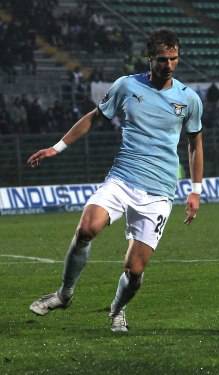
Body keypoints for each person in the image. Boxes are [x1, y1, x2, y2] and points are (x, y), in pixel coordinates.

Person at [26, 29, 204, 332]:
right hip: (122, 178)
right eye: (163, 59)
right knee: (86, 228)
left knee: (134, 270)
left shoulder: (189, 99)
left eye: (174, 59)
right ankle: (63, 294)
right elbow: (94, 117)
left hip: (159, 191)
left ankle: (117, 310)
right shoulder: (126, 86)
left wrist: (196, 190)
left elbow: (195, 143)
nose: (169, 65)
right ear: (150, 58)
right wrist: (57, 148)